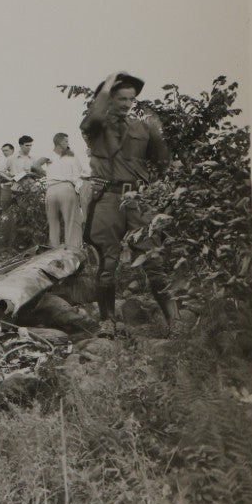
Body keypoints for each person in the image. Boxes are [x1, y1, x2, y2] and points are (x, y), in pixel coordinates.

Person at [80, 70, 178, 337]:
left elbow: (163, 161)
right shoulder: (96, 126)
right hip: (108, 199)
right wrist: (108, 81)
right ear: (109, 98)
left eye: (131, 99)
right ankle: (108, 322)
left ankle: (175, 322)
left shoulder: (143, 128)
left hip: (136, 200)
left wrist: (156, 190)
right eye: (120, 98)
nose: (126, 104)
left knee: (154, 260)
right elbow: (95, 115)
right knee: (107, 264)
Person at [32, 132, 85, 248]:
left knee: (53, 222)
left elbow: (35, 165)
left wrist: (47, 174)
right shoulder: (71, 155)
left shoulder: (49, 154)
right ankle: (74, 248)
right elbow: (78, 176)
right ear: (60, 142)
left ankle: (54, 249)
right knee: (71, 221)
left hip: (51, 190)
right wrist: (79, 192)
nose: (68, 143)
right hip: (65, 188)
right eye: (66, 141)